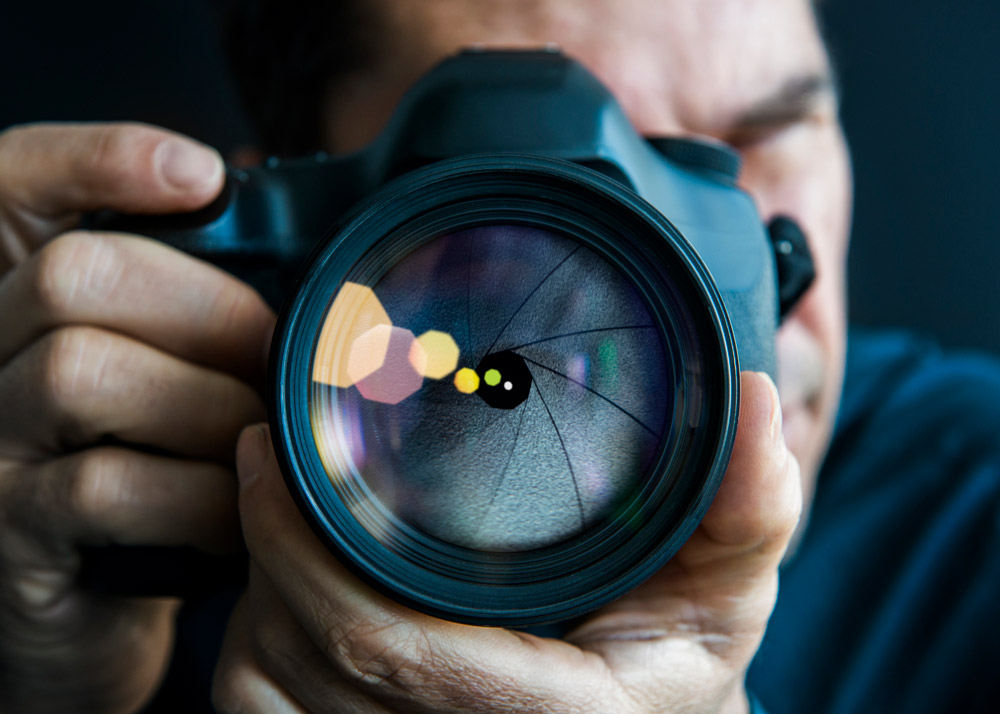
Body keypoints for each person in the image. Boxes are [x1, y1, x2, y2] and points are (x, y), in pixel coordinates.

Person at [0, 1, 995, 712]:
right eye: (547, 194)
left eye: (750, 141)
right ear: (310, 241)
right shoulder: (119, 532)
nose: (660, 273)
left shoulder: (973, 522)